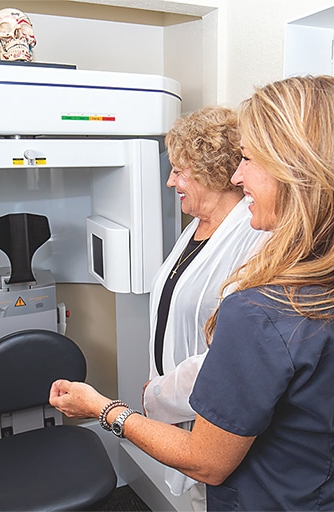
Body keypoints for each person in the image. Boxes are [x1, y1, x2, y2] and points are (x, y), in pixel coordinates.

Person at [50, 75, 334, 511]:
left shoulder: (261, 309)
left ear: (296, 172)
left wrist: (102, 408)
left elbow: (206, 462)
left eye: (249, 159)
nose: (237, 175)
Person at [144, 106, 269, 508]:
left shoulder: (254, 237)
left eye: (180, 171)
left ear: (214, 172)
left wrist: (159, 393)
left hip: (212, 419)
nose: (170, 181)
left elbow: (229, 352)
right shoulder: (196, 226)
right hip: (173, 406)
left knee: (208, 497)